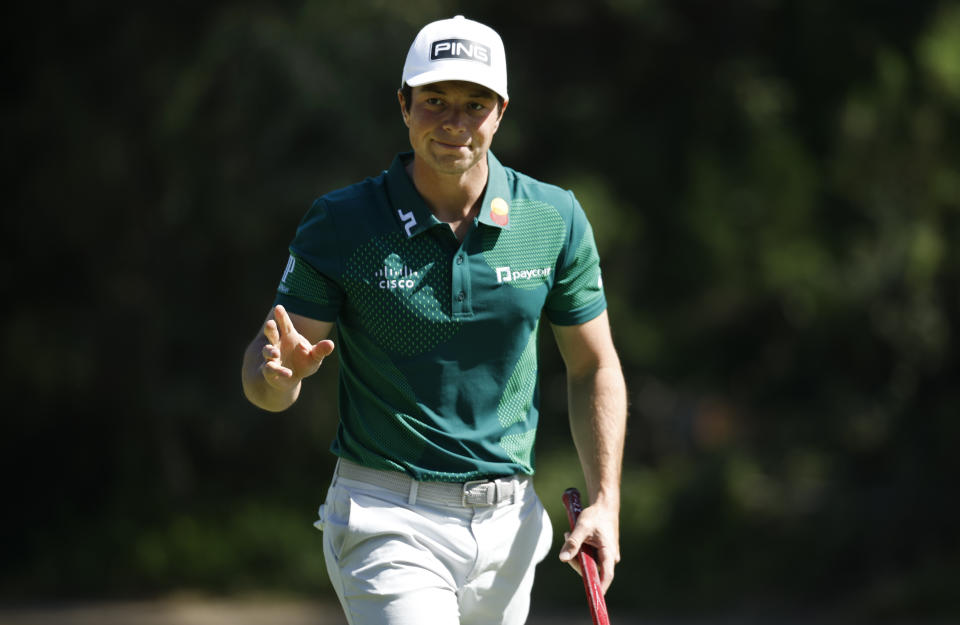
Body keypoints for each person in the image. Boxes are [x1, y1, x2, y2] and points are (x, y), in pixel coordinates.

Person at [241, 15, 627, 625]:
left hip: (510, 525)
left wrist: (606, 499)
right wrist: (278, 380)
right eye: (435, 101)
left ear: (501, 111)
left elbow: (594, 365)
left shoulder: (553, 219)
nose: (454, 122)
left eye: (475, 104)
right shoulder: (343, 222)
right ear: (404, 105)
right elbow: (262, 382)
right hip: (387, 516)